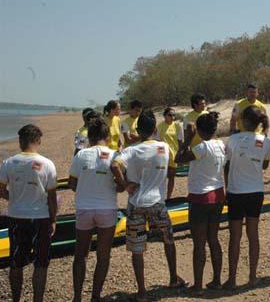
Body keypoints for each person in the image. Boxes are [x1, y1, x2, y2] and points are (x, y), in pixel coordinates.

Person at [111, 110, 186, 302]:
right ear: (154, 128)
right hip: (157, 203)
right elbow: (170, 172)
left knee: (137, 248)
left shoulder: (131, 150)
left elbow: (114, 165)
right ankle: (172, 278)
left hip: (136, 203)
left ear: (137, 129)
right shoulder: (163, 147)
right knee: (168, 239)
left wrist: (125, 185)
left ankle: (142, 291)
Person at [0, 124, 58, 302]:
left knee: (16, 263)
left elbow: (1, 190)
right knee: (41, 264)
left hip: (17, 216)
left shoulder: (9, 163)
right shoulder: (47, 164)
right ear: (38, 140)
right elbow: (51, 198)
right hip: (40, 218)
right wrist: (53, 220)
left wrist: (15, 198)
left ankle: (16, 299)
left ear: (20, 141)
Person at [68, 118, 121, 302]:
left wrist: (86, 187)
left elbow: (72, 184)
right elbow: (120, 185)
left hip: (84, 209)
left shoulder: (81, 155)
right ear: (107, 136)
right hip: (106, 210)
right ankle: (96, 296)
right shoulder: (115, 155)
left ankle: (76, 297)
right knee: (103, 254)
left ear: (89, 136)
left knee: (80, 255)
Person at [175, 112, 225, 295]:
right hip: (217, 194)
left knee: (199, 243)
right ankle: (217, 280)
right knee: (213, 239)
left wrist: (187, 139)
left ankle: (198, 286)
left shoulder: (201, 147)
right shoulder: (220, 145)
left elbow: (178, 159)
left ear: (200, 131)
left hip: (200, 198)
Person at [222, 106, 270, 289]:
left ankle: (232, 279)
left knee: (235, 236)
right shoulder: (266, 141)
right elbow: (265, 166)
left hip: (235, 192)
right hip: (256, 192)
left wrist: (226, 189)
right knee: (253, 235)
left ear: (242, 120)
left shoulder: (233, 140)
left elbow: (226, 166)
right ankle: (252, 277)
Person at [156, 107, 184, 199]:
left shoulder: (177, 126)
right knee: (161, 178)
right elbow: (157, 142)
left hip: (174, 155)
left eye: (173, 115)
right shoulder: (159, 126)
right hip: (163, 155)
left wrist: (180, 154)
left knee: (171, 177)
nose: (172, 117)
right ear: (165, 116)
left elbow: (180, 141)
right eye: (170, 115)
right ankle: (161, 196)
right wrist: (160, 156)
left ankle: (168, 197)